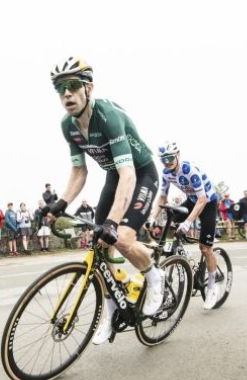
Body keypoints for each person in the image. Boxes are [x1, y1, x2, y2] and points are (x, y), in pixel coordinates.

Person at [45, 56, 163, 345]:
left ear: (89, 88)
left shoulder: (108, 118)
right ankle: (110, 312)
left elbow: (128, 175)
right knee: (99, 246)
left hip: (141, 173)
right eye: (60, 88)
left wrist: (112, 222)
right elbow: (79, 171)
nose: (67, 94)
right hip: (114, 175)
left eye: (73, 86)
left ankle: (153, 276)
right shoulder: (68, 126)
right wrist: (60, 204)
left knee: (120, 238)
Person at [149, 141, 221, 309]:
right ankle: (176, 251)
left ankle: (211, 287)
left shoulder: (189, 170)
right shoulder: (166, 173)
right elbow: (162, 198)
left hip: (208, 203)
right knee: (172, 225)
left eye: (170, 157)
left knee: (205, 248)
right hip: (192, 201)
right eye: (163, 159)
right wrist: (152, 217)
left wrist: (188, 222)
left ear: (178, 155)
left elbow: (202, 199)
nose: (167, 162)